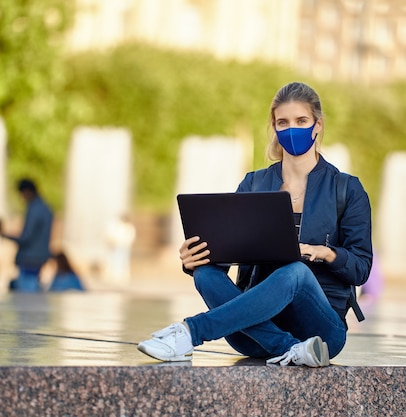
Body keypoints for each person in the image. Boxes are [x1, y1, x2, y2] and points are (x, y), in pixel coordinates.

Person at [138, 82, 373, 367]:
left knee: (295, 272)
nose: (291, 130)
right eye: (282, 123)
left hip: (322, 333)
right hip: (254, 332)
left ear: (317, 125)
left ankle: (189, 333)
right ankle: (291, 348)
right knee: (205, 275)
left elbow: (361, 268)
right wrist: (195, 259)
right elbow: (225, 254)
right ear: (274, 127)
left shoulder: (346, 189)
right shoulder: (254, 184)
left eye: (301, 121)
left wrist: (324, 252)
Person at [2, 179, 53, 292]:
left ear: (27, 191)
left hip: (30, 258)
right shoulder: (46, 208)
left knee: (26, 295)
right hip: (40, 257)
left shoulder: (35, 209)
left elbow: (26, 237)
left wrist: (6, 236)